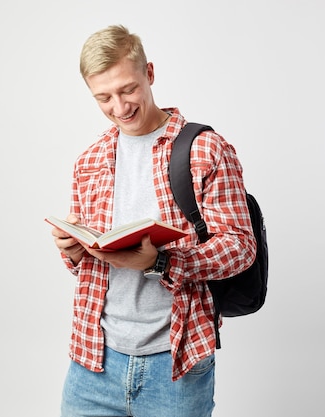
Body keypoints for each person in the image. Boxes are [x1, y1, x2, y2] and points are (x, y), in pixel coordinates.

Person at [51, 24, 256, 417]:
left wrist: (161, 262)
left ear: (149, 73)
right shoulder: (89, 162)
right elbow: (86, 269)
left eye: (128, 89)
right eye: (104, 98)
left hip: (175, 365)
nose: (119, 107)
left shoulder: (205, 150)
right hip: (93, 361)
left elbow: (241, 247)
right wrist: (72, 250)